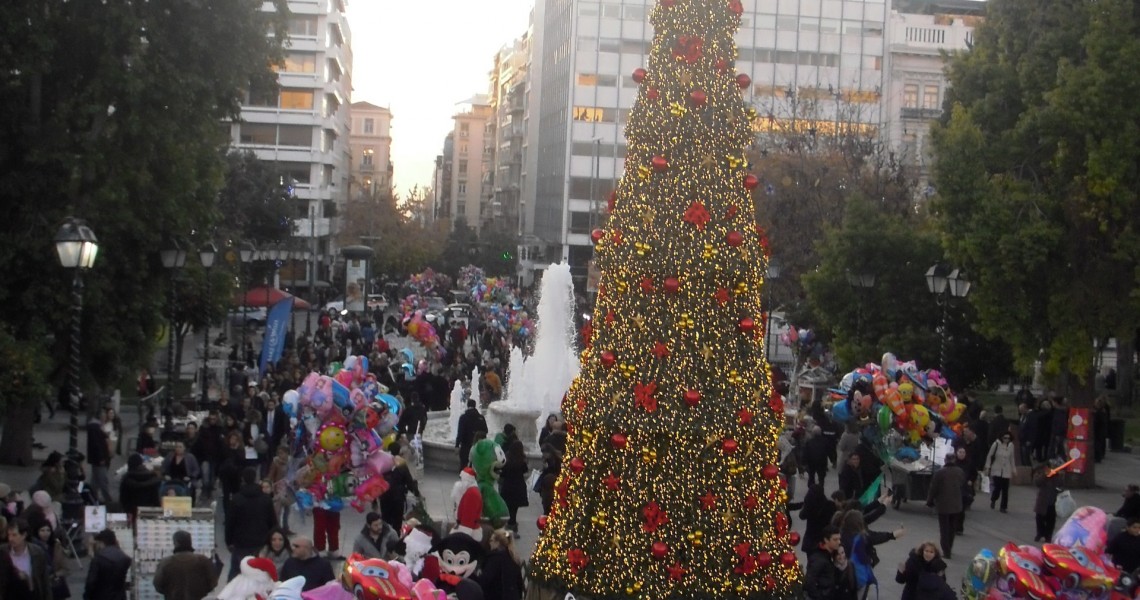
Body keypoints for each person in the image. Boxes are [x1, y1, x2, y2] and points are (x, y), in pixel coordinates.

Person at [225, 467, 277, 580]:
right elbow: (272, 521)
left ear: (242, 479)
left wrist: (229, 541)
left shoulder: (236, 499)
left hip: (241, 542)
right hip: (261, 541)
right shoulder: (265, 499)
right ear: (256, 479)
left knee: (237, 573)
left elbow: (230, 522)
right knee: (260, 573)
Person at [839, 509, 904, 598]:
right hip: (859, 573)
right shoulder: (862, 536)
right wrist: (892, 535)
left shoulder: (841, 534)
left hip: (843, 571)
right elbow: (877, 537)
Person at [152, 530, 218, 600]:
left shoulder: (165, 562)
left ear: (175, 543)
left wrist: (171, 592)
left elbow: (158, 585)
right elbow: (213, 583)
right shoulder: (203, 560)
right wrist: (201, 592)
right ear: (190, 542)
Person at [926, 454, 965, 559]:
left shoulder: (940, 473)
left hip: (943, 504)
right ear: (954, 460)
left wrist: (929, 501)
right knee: (952, 528)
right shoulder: (960, 472)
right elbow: (962, 485)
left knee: (944, 529)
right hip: (956, 505)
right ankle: (949, 547)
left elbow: (933, 488)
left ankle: (946, 551)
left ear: (945, 460)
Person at [1, 519, 51, 600]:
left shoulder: (37, 553)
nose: (10, 539)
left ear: (24, 535)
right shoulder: (3, 552)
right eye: (9, 535)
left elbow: (44, 581)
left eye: (14, 535)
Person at [804, 525, 851, 600]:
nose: (839, 542)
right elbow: (809, 582)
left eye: (839, 539)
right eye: (835, 539)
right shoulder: (819, 559)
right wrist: (820, 596)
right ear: (826, 540)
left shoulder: (831, 554)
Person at [84, 530, 131, 600]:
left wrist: (87, 596)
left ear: (102, 543)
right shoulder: (124, 558)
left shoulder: (99, 559)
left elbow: (90, 582)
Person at [477, 529, 524, 600]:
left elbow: (485, 580)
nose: (489, 543)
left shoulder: (495, 559)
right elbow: (519, 583)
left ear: (497, 543)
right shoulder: (513, 557)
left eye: (491, 540)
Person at [192, 411, 226, 501]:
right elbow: (199, 442)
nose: (212, 421)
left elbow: (222, 444)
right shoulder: (203, 429)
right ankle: (205, 490)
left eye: (214, 419)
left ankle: (209, 491)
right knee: (205, 475)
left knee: (212, 477)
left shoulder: (220, 429)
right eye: (211, 419)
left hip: (216, 457)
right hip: (205, 456)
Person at [498, 440, 528, 536]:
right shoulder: (522, 461)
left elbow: (502, 473)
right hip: (518, 487)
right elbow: (525, 470)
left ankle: (508, 527)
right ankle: (513, 528)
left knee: (507, 507)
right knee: (514, 509)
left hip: (508, 486)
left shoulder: (507, 460)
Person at [119, 454, 162, 521]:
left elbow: (123, 499)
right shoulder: (151, 477)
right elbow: (155, 498)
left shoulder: (127, 479)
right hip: (149, 512)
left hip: (132, 512)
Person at [799, 483, 837, 553]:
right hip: (825, 537)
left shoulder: (810, 506)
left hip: (812, 538)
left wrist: (806, 504)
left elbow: (801, 516)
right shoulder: (830, 505)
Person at [985, 430, 1016, 512]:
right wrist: (987, 467)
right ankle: (994, 499)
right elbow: (989, 456)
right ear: (1001, 437)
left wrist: (1014, 469)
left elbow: (1012, 458)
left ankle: (1003, 507)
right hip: (997, 469)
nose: (1007, 440)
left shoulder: (1011, 445)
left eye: (1008, 438)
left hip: (1006, 470)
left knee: (1005, 490)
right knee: (997, 488)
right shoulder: (996, 444)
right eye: (1005, 438)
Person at [217, 431, 246, 511]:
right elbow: (223, 459)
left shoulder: (241, 450)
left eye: (235, 439)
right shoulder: (225, 448)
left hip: (236, 476)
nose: (233, 440)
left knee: (236, 495)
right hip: (226, 475)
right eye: (232, 438)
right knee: (226, 495)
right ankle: (226, 512)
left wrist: (236, 450)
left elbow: (242, 461)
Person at [455, 400, 487, 469]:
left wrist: (457, 445)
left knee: (464, 465)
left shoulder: (463, 417)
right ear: (475, 406)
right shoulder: (481, 417)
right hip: (478, 446)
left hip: (465, 446)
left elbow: (460, 432)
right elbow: (485, 431)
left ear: (467, 405)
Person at [1033, 466, 1060, 542]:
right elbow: (1037, 482)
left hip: (1052, 500)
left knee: (1051, 520)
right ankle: (1040, 533)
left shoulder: (1056, 474)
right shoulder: (1040, 472)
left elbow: (1060, 483)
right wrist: (1045, 475)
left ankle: (1048, 535)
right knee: (1039, 518)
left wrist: (1056, 475)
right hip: (1042, 500)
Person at [953, 446, 976, 534]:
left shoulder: (969, 463)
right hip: (955, 488)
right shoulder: (954, 463)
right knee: (954, 509)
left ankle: (959, 528)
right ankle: (953, 526)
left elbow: (974, 473)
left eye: (963, 452)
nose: (962, 454)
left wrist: (971, 480)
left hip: (964, 489)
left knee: (961, 510)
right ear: (956, 453)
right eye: (960, 452)